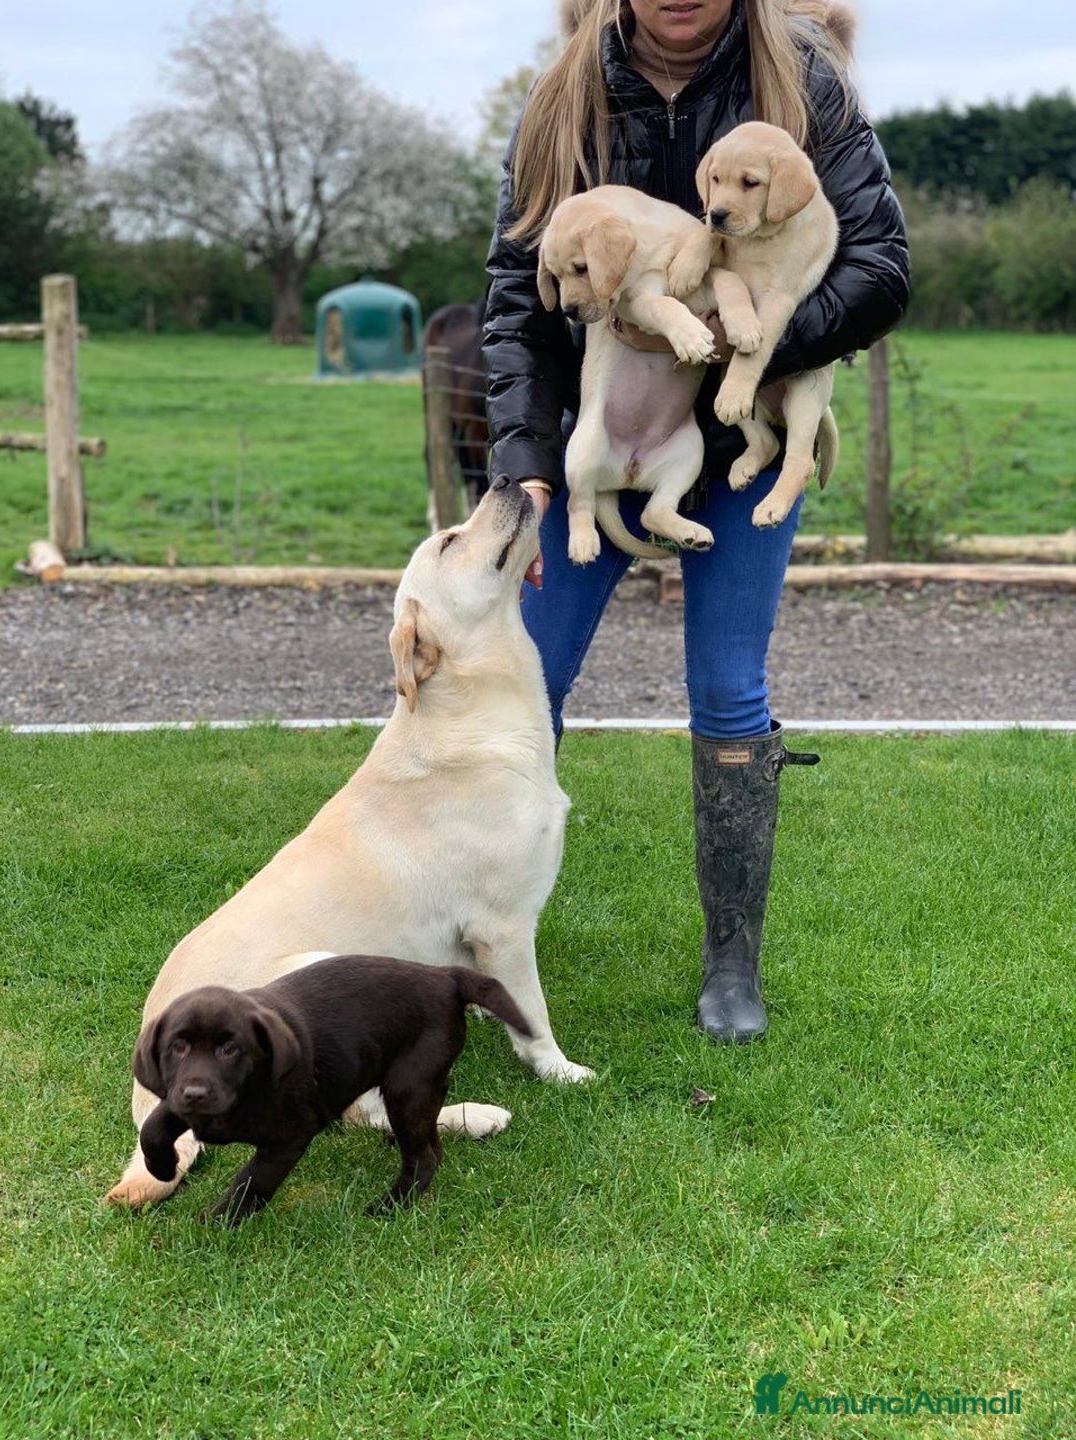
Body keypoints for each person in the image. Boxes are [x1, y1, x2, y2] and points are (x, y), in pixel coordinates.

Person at [482, 0, 910, 1043]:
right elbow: (517, 301)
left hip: (735, 438)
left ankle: (731, 965)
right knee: (515, 676)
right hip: (600, 430)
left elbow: (879, 268)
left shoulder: (802, 82)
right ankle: (476, 935)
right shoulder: (562, 98)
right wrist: (527, 470)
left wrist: (736, 349)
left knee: (728, 686)